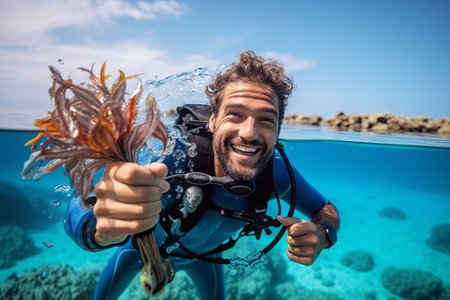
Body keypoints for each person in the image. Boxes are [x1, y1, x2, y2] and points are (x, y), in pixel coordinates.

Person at [64, 50, 340, 300]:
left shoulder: (277, 172)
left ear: (279, 129)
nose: (249, 132)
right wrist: (98, 229)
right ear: (212, 121)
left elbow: (325, 210)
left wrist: (324, 233)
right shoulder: (175, 160)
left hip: (206, 259)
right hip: (138, 252)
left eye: (266, 120)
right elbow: (83, 205)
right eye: (235, 115)